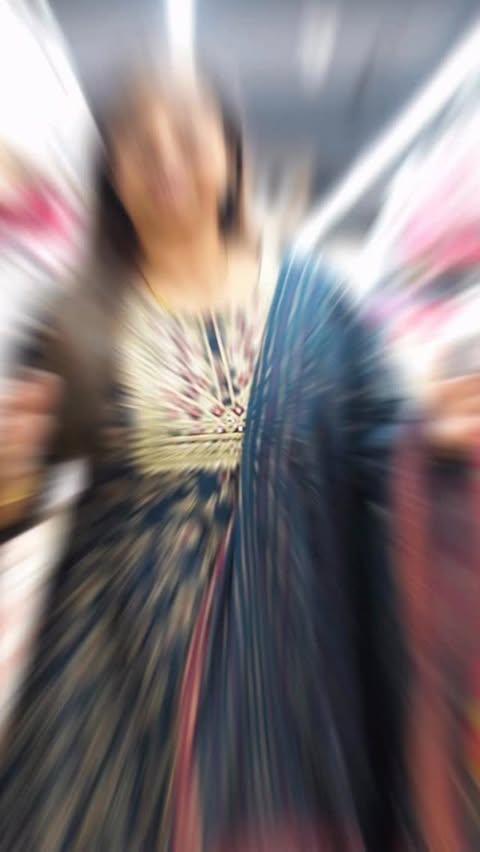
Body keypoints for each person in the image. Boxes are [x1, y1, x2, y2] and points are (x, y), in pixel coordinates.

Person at [1, 70, 480, 852]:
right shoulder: (75, 317)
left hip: (287, 667)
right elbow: (17, 499)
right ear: (112, 174)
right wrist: (12, 475)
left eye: (188, 134)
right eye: (138, 143)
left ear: (232, 155)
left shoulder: (314, 306)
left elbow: (383, 447)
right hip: (118, 672)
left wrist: (439, 443)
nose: (166, 157)